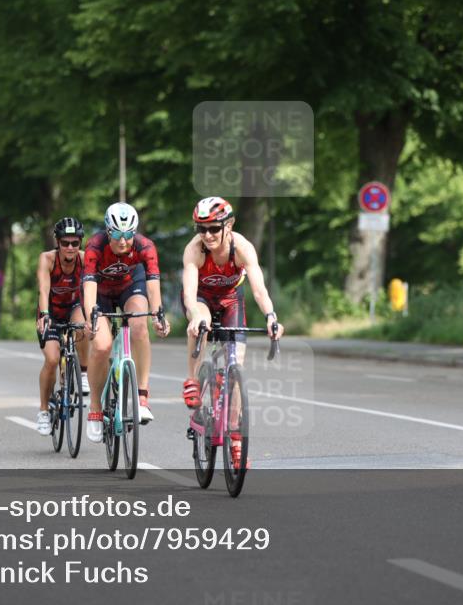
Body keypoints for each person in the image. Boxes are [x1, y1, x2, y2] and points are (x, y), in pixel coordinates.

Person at [180, 197, 283, 468]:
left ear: (229, 225)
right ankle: (192, 379)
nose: (208, 235)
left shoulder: (243, 248)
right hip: (201, 299)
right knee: (201, 322)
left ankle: (236, 440)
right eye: (201, 229)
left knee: (236, 366)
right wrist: (194, 315)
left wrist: (271, 316)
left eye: (214, 228)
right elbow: (190, 294)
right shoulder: (194, 250)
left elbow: (259, 290)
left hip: (230, 300)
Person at [83, 202, 170, 441]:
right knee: (101, 345)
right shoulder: (94, 246)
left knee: (140, 327)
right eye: (117, 234)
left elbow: (153, 286)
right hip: (101, 291)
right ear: (108, 231)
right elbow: (89, 286)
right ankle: (95, 408)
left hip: (130, 286)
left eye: (128, 234)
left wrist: (158, 315)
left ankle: (142, 398)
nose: (123, 241)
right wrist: (91, 314)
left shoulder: (145, 246)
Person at [35, 217, 89, 435]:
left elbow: (92, 288)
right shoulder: (47, 259)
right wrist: (45, 315)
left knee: (82, 325)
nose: (70, 247)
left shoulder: (85, 260)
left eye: (75, 243)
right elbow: (43, 289)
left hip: (73, 307)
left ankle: (83, 373)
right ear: (57, 242)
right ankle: (43, 410)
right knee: (52, 359)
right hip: (50, 311)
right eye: (65, 242)